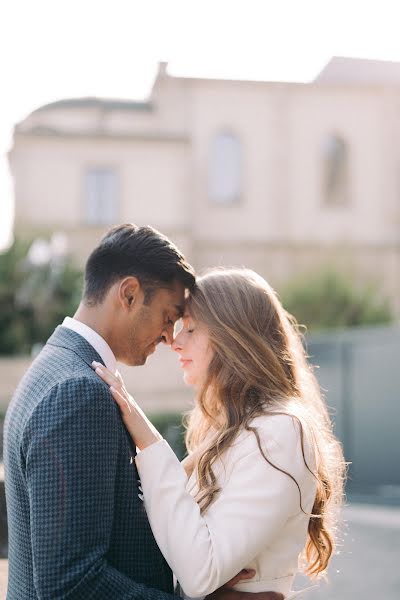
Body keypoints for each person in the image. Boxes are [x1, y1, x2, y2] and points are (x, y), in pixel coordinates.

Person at [4, 224, 282, 600]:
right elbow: (71, 583)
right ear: (129, 294)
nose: (170, 337)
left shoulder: (57, 368)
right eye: (169, 317)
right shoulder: (77, 392)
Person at [94, 267, 346, 600]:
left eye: (192, 329)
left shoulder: (280, 430)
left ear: (233, 338)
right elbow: (185, 548)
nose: (175, 341)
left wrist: (148, 440)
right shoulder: (231, 428)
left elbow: (200, 572)